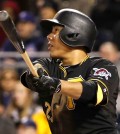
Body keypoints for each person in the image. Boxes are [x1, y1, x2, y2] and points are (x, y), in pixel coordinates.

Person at [21, 8, 119, 134]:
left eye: (56, 31)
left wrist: (56, 84)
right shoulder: (49, 65)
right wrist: (35, 76)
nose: (49, 36)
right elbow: (33, 72)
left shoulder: (102, 66)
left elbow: (96, 93)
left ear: (73, 34)